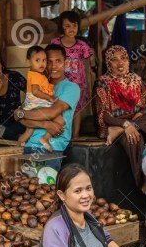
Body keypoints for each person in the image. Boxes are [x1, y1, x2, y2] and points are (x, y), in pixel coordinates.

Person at [94, 45, 146, 188]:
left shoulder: (136, 79)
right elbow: (103, 114)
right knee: (134, 138)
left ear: (128, 61)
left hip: (137, 121)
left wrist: (141, 115)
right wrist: (124, 125)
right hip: (116, 124)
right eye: (114, 60)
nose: (120, 63)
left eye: (123, 59)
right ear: (108, 63)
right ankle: (140, 186)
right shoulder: (102, 82)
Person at [12, 44, 80, 170]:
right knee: (27, 187)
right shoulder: (41, 85)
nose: (53, 66)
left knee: (46, 187)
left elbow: (51, 113)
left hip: (51, 149)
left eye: (58, 61)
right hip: (28, 146)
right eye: (49, 61)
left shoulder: (71, 88)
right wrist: (46, 125)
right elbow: (22, 119)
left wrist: (20, 113)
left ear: (65, 62)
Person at [51, 11, 94, 139]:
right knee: (59, 107)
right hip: (59, 82)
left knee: (76, 109)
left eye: (74, 25)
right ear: (61, 27)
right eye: (67, 26)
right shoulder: (55, 43)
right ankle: (60, 134)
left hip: (78, 84)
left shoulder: (82, 45)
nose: (72, 29)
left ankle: (74, 136)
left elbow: (89, 62)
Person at [17, 46, 63, 151]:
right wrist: (50, 97)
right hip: (37, 104)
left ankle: (21, 142)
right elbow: (35, 91)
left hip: (36, 104)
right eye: (37, 60)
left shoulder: (39, 75)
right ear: (28, 62)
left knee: (30, 129)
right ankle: (44, 139)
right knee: (60, 121)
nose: (41, 63)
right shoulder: (35, 75)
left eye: (44, 60)